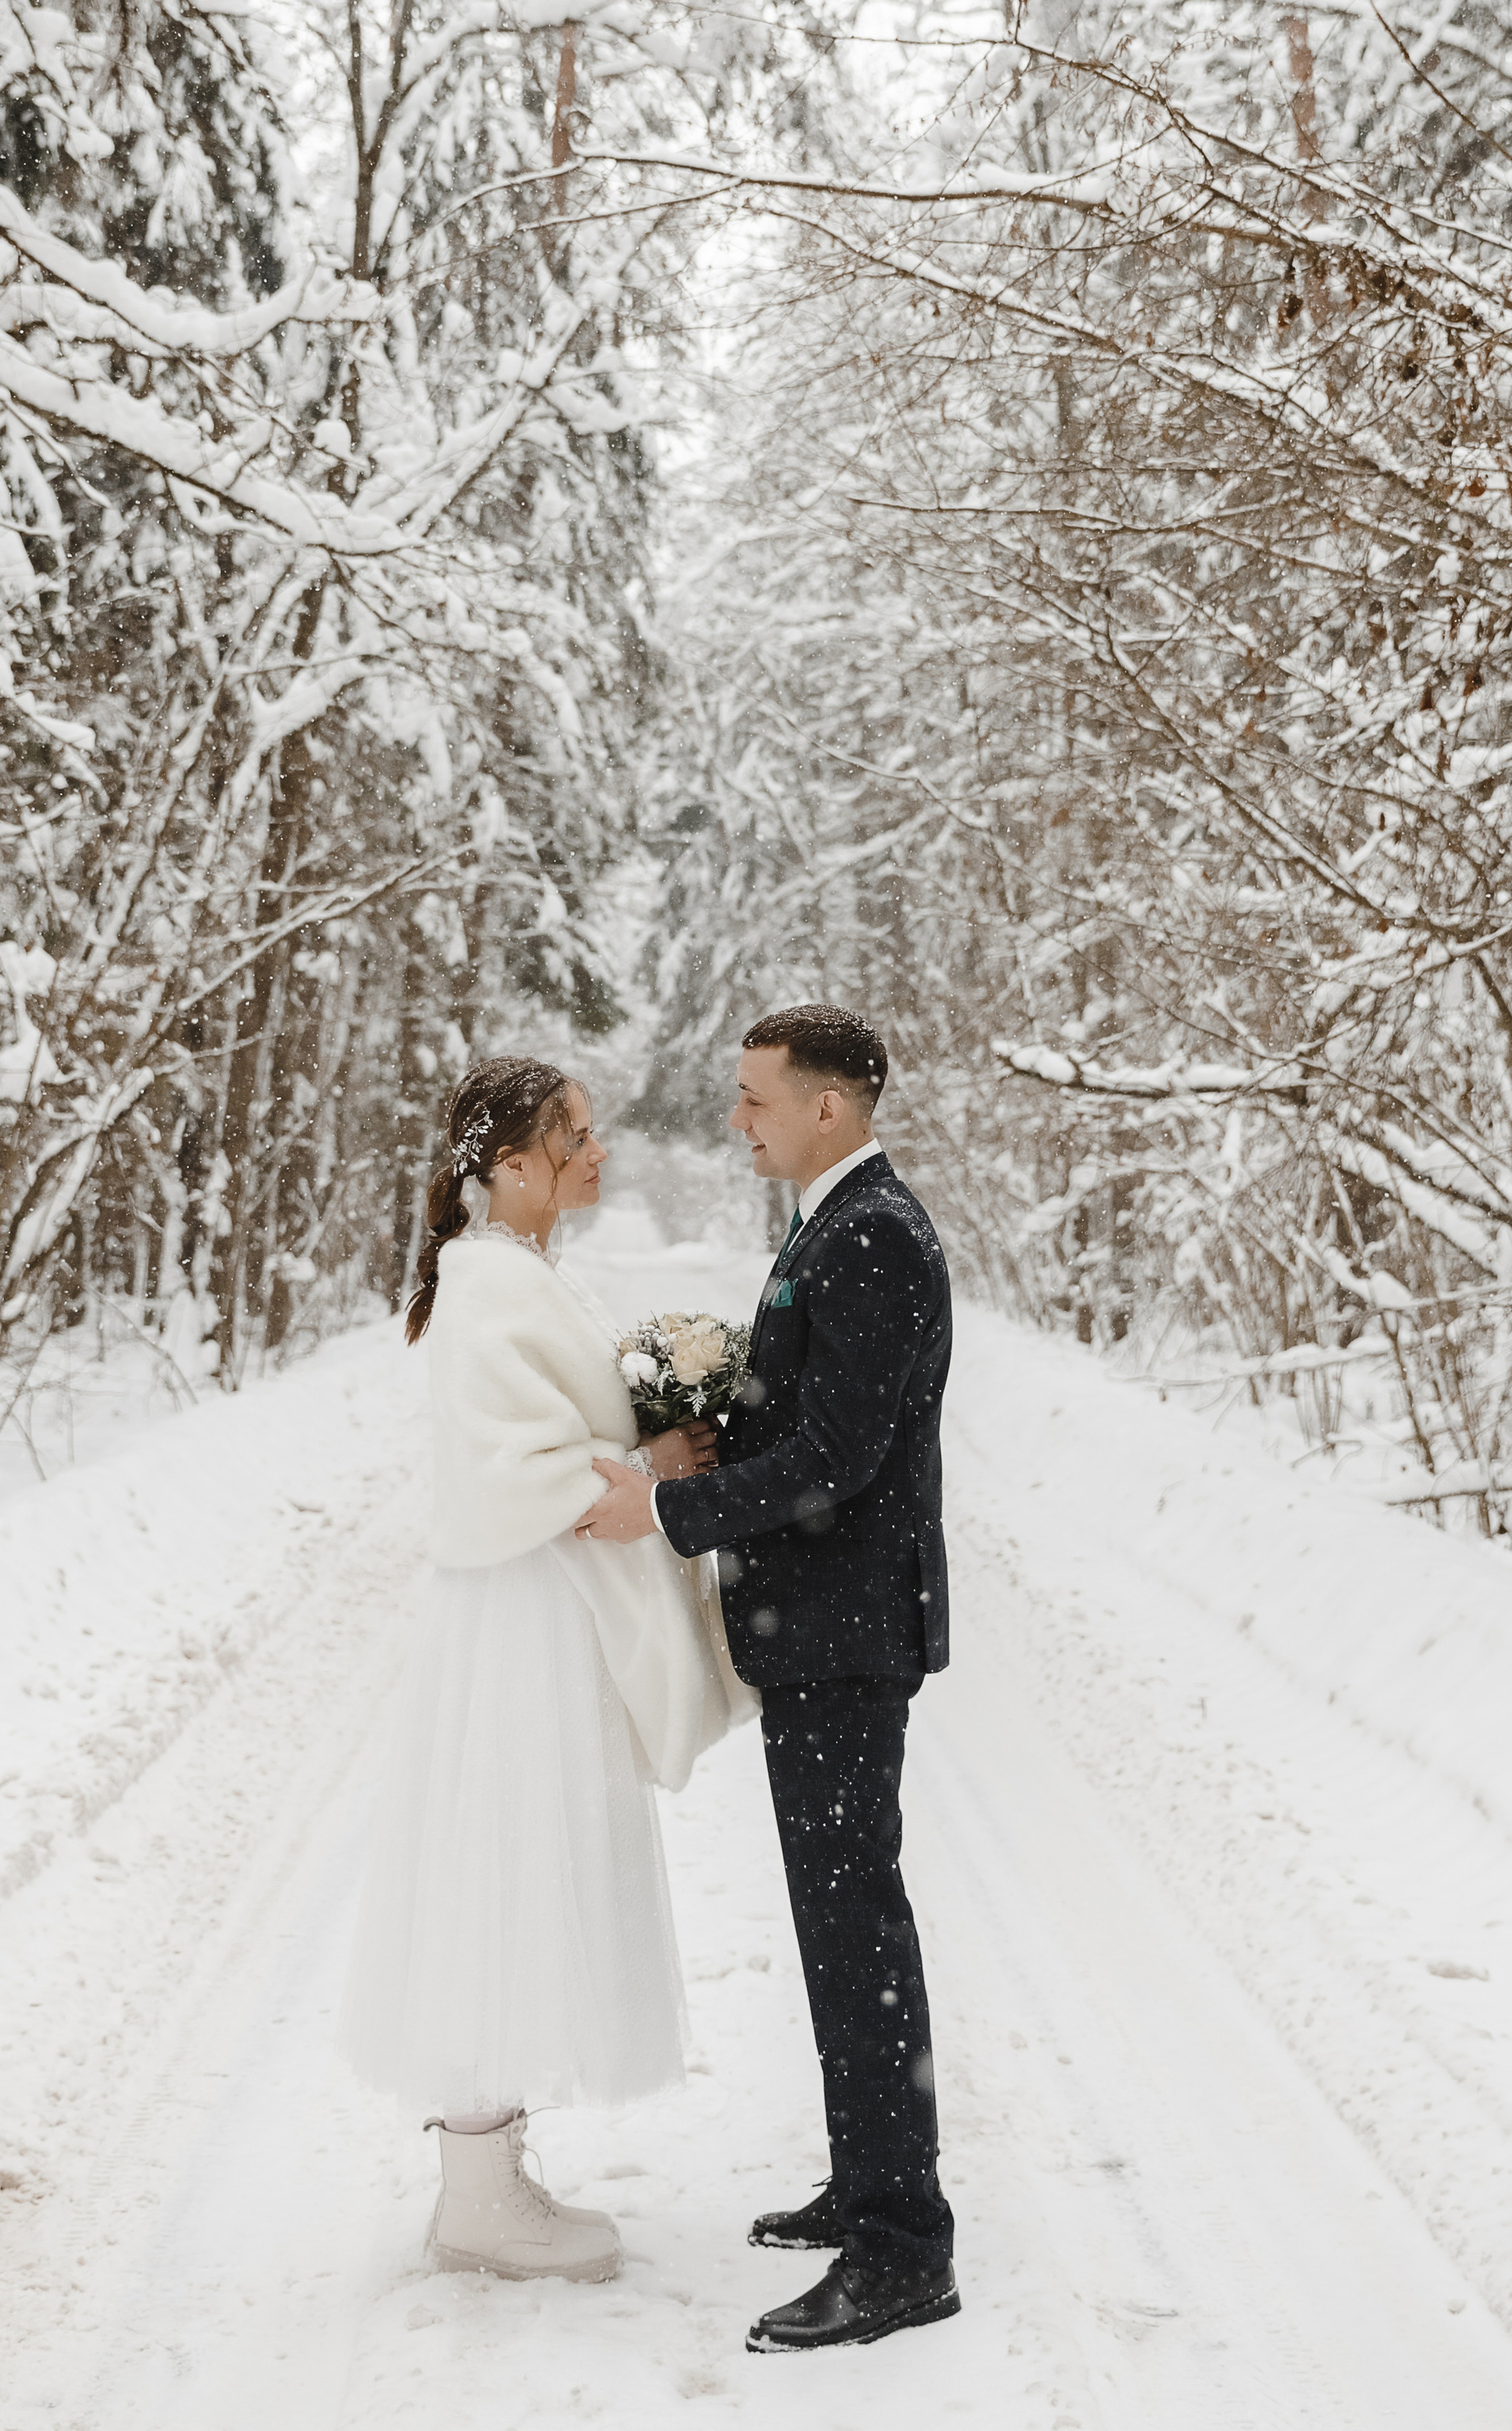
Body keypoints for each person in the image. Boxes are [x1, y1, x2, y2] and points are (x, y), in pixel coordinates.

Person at [584, 1004, 957, 2353]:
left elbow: (841, 1460)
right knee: (837, 1921)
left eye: (755, 1099)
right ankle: (870, 2186)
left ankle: (905, 2247)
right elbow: (804, 1416)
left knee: (856, 1928)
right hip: (824, 1634)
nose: (736, 1120)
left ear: (832, 1106)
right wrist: (702, 1424)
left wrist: (671, 1513)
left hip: (850, 1639)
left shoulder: (875, 1239)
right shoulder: (828, 1223)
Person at [340, 1056, 750, 2283]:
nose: (596, 1147)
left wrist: (649, 1441)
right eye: (572, 1132)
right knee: (504, 1868)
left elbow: (560, 1439)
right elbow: (505, 1477)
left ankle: (489, 2174)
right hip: (519, 1622)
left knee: (522, 1863)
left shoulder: (516, 1275)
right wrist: (654, 1470)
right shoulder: (486, 1289)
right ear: (508, 1163)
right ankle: (477, 2195)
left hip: (539, 1612)